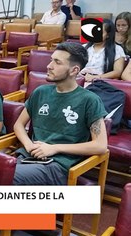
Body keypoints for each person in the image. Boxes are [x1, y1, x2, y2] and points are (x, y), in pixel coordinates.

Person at [13, 42, 108, 185]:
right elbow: (19, 125)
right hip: (28, 156)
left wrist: (54, 148)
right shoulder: (41, 92)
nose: (49, 65)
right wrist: (29, 145)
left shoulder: (89, 100)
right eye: (51, 59)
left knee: (6, 178)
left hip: (57, 165)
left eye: (57, 62)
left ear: (74, 70)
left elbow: (100, 145)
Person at [80, 19, 126, 84]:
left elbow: (117, 72)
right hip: (80, 79)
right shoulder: (84, 47)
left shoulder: (117, 49)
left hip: (101, 82)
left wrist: (96, 77)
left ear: (108, 35)